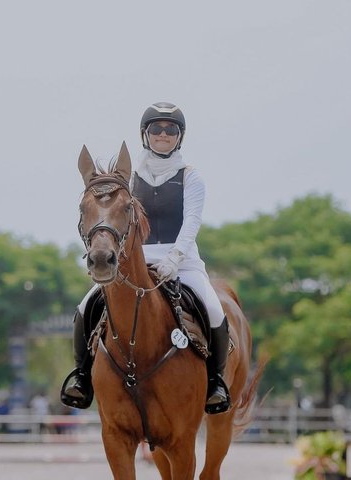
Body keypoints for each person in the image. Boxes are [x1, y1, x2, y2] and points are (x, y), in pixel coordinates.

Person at [61, 102, 231, 414]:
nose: (163, 134)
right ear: (145, 134)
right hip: (134, 260)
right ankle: (82, 376)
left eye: (170, 129)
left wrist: (175, 258)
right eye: (156, 129)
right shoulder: (130, 178)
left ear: (179, 137)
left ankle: (216, 381)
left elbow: (192, 221)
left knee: (214, 310)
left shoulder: (190, 177)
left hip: (181, 260)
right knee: (85, 308)